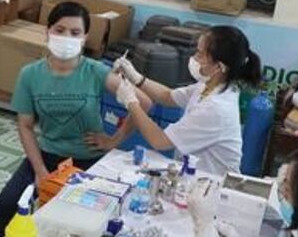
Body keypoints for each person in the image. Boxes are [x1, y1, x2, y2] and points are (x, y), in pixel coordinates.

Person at [0, 1, 150, 237]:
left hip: (89, 161)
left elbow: (144, 103)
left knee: (80, 223)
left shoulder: (96, 71)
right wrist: (40, 171)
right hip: (46, 156)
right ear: (47, 32)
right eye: (60, 30)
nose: (66, 37)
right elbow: (25, 125)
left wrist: (113, 140)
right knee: (6, 205)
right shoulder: (30, 74)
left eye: (75, 32)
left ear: (84, 38)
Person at [101, 25, 261, 176]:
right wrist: (136, 77)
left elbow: (159, 141)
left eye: (200, 54)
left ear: (219, 67)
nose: (194, 58)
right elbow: (167, 96)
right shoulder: (210, 85)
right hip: (195, 174)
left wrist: (130, 101)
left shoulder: (216, 108)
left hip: (213, 182)